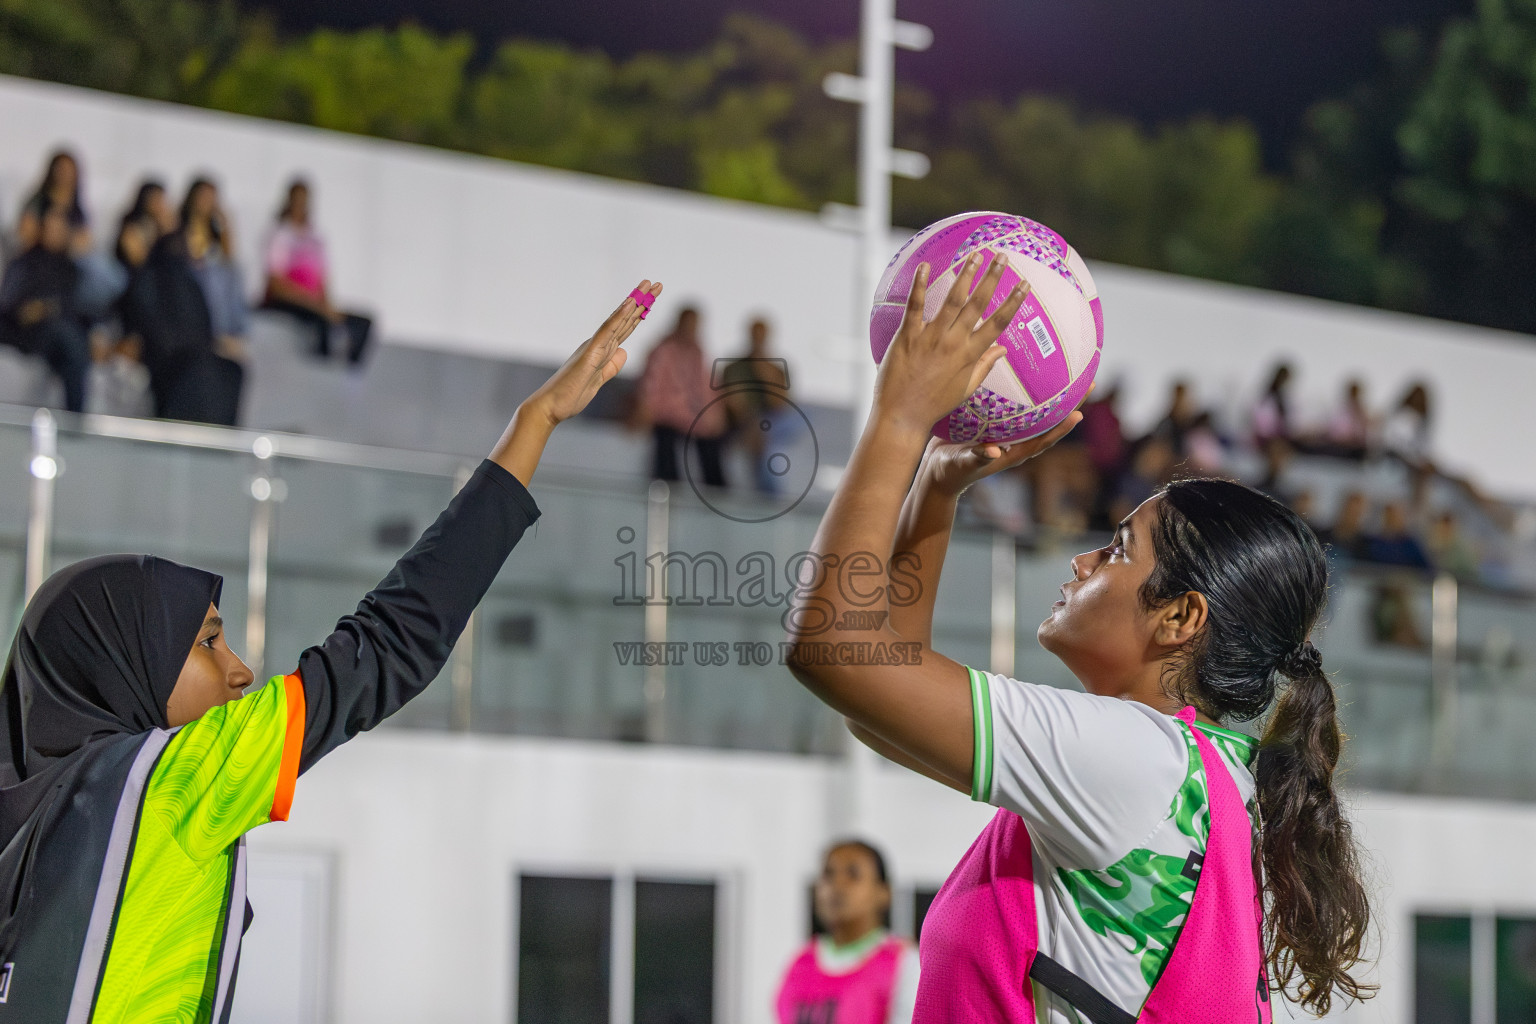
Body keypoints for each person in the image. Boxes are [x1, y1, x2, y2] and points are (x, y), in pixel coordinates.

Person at [0, 278, 662, 1022]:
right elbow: (390, 642)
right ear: (121, 665)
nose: (240, 670)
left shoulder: (28, 820)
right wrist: (536, 421)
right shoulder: (168, 785)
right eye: (207, 642)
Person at [785, 254, 1372, 1022]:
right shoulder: (1189, 772)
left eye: (1120, 550)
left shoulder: (1131, 760)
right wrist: (934, 487)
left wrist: (898, 416)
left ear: (1180, 617)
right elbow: (876, 704)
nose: (1083, 558)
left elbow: (833, 652)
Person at [776, 840, 919, 1024]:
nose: (837, 885)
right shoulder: (799, 963)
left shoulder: (905, 963)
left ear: (884, 892)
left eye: (853, 874)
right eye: (828, 874)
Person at [120, 223, 245, 425]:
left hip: (197, 355)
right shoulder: (147, 279)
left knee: (231, 370)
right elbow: (148, 327)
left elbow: (205, 326)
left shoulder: (191, 283)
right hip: (166, 360)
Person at [260, 178, 374, 365]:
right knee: (321, 322)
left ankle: (349, 373)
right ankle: (320, 370)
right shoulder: (280, 234)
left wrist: (327, 306)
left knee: (362, 323)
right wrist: (314, 304)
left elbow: (322, 279)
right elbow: (275, 283)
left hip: (314, 303)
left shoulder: (315, 238)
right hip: (288, 300)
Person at [15, 150, 126, 324]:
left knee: (112, 279)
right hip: (43, 263)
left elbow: (85, 241)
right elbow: (25, 235)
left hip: (71, 263)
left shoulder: (77, 207)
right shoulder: (38, 202)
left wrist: (69, 240)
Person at [0, 202, 91, 411]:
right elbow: (9, 305)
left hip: (60, 333)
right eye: (50, 229)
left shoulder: (70, 268)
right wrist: (29, 311)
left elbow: (76, 306)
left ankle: (73, 420)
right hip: (25, 333)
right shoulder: (26, 261)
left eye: (59, 230)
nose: (54, 235)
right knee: (69, 339)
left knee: (72, 343)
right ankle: (76, 420)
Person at [636, 306, 727, 486]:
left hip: (694, 419)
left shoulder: (698, 353)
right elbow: (650, 385)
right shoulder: (664, 350)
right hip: (666, 417)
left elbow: (707, 388)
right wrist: (645, 409)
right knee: (666, 453)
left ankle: (716, 502)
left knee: (712, 453)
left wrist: (715, 417)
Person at [721, 317, 800, 495]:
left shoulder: (777, 369)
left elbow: (781, 405)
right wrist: (751, 423)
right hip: (742, 423)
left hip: (772, 424)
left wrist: (764, 373)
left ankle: (770, 497)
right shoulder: (734, 368)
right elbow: (733, 404)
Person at [179, 178, 250, 364]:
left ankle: (235, 330)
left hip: (210, 275)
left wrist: (225, 224)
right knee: (213, 275)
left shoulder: (213, 228)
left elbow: (228, 256)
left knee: (234, 271)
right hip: (189, 274)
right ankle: (219, 331)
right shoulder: (182, 223)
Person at [114, 180, 176, 273]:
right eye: (156, 199)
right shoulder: (131, 225)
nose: (160, 204)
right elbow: (137, 259)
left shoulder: (165, 224)